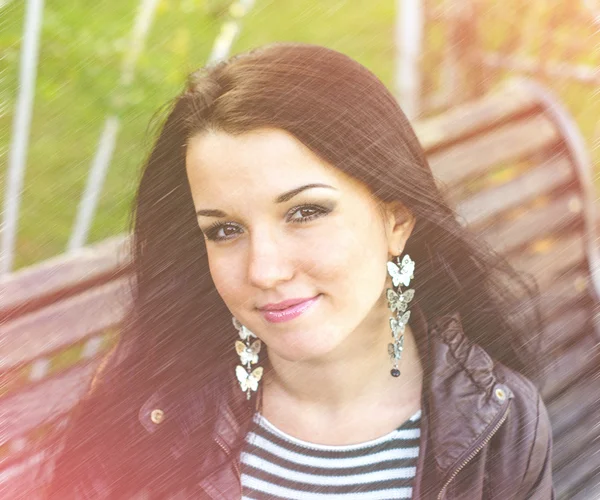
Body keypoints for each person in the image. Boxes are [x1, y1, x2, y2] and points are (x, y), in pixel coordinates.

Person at [44, 42, 554, 499]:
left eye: (305, 213)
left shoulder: (498, 426)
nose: (264, 270)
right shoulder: (154, 413)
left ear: (395, 222)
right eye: (224, 230)